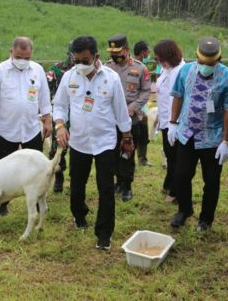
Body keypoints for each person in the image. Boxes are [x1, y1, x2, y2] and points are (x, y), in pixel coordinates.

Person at [53, 35, 133, 250]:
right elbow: (59, 105)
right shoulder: (70, 77)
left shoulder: (111, 78)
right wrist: (60, 126)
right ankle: (79, 217)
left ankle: (104, 234)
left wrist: (126, 137)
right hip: (78, 142)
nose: (80, 65)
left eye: (85, 61)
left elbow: (121, 111)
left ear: (96, 57)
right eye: (76, 60)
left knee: (106, 188)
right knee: (77, 184)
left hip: (105, 142)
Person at [167, 37, 228, 232]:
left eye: (210, 63)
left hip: (212, 138)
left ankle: (206, 219)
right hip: (187, 133)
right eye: (202, 62)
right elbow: (178, 96)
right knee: (181, 176)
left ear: (218, 59)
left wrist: (226, 141)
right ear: (196, 57)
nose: (205, 66)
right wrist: (172, 123)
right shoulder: (186, 70)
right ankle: (184, 210)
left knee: (211, 181)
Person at [0, 36, 52, 215]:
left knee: (35, 168)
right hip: (6, 130)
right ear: (11, 52)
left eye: (26, 58)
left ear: (31, 54)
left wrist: (48, 120)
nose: (22, 61)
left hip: (31, 129)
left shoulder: (37, 70)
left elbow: (44, 98)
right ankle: (3, 205)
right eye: (19, 57)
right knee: (5, 170)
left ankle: (36, 203)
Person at [105, 34, 151, 201]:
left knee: (128, 152)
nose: (114, 55)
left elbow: (146, 91)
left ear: (126, 49)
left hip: (132, 119)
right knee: (113, 153)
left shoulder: (140, 68)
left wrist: (132, 108)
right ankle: (118, 181)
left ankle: (127, 186)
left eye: (117, 52)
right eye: (111, 52)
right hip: (111, 119)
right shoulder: (107, 67)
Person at [153, 39, 185, 203]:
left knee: (175, 159)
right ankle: (168, 184)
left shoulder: (180, 71)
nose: (159, 63)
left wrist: (173, 122)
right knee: (169, 154)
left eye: (161, 59)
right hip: (165, 120)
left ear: (170, 56)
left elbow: (176, 99)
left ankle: (175, 192)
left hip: (175, 121)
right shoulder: (167, 70)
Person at [46, 46, 74, 193]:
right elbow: (47, 86)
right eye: (72, 53)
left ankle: (75, 180)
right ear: (67, 53)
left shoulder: (86, 68)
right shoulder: (57, 68)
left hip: (77, 113)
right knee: (57, 148)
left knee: (78, 148)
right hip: (60, 113)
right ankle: (59, 177)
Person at [133, 40, 153, 167]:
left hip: (141, 106)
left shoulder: (139, 66)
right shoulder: (138, 67)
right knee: (135, 133)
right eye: (148, 50)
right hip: (135, 107)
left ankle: (142, 158)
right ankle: (136, 159)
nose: (149, 53)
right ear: (143, 52)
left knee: (143, 133)